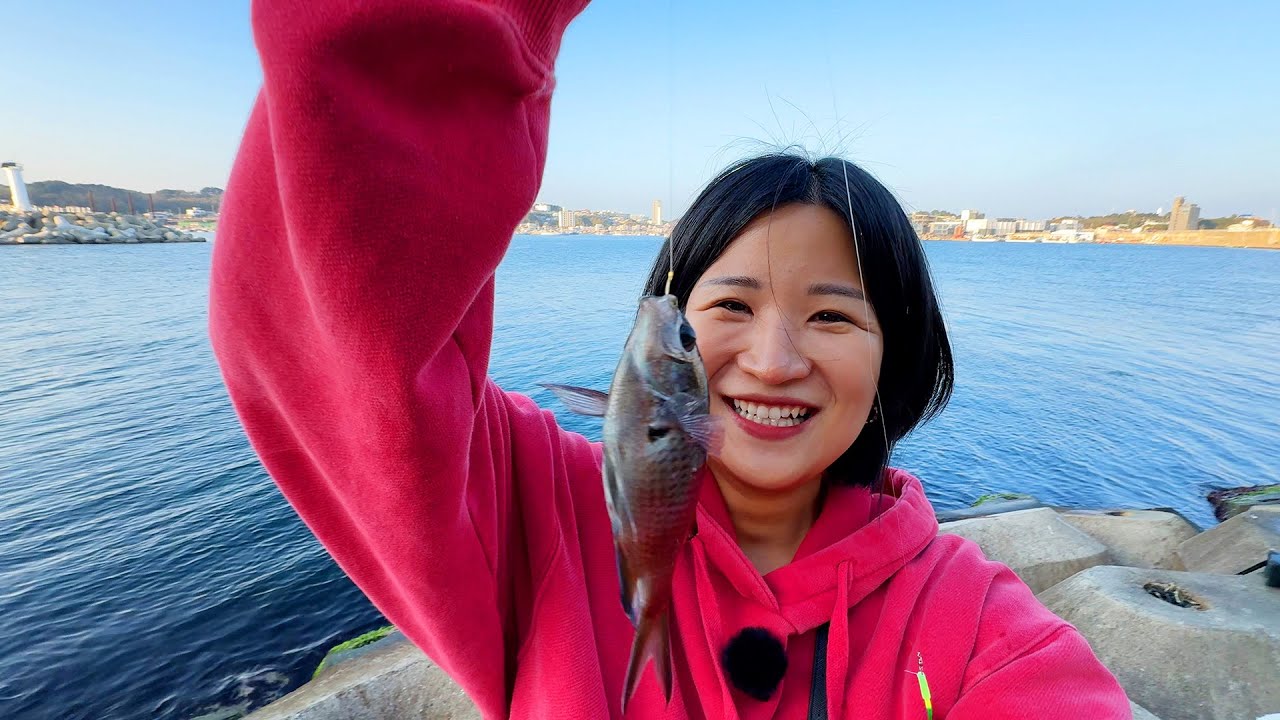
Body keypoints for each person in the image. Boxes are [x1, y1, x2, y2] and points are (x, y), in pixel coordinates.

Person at [210, 0, 1133, 717]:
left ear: (894, 357)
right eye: (728, 307)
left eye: (834, 317)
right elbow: (334, 326)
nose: (772, 362)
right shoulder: (537, 511)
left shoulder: (988, 634)